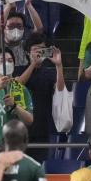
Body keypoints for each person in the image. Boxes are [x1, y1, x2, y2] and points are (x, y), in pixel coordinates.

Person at [15, 33, 65, 161]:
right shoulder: (19, 70)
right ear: (27, 53)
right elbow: (18, 84)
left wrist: (58, 65)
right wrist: (33, 64)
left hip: (42, 127)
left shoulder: (49, 72)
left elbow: (60, 89)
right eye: (36, 50)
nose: (39, 53)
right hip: (20, 128)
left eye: (42, 49)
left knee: (38, 167)